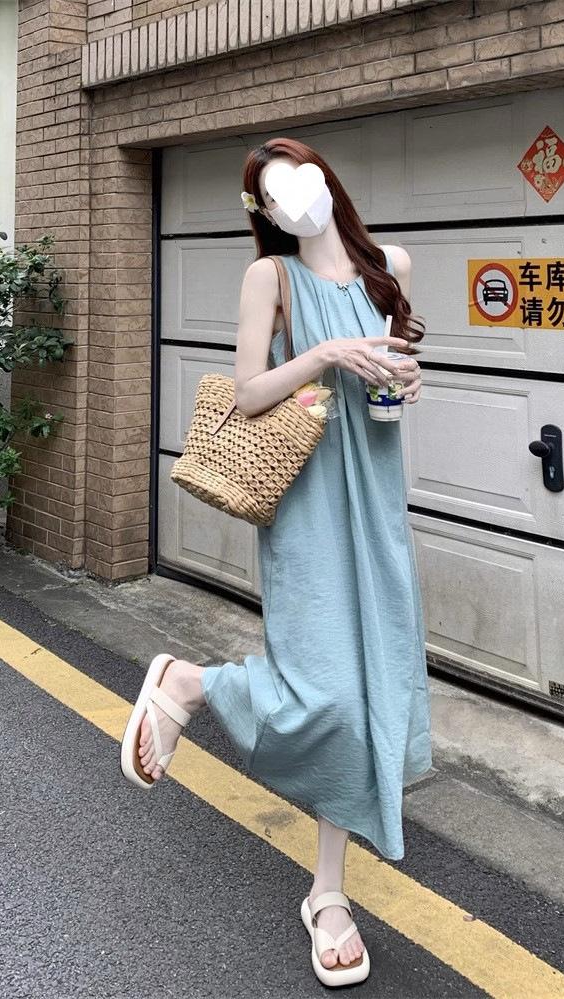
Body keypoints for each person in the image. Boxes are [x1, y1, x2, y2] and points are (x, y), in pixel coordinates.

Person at [121, 137, 432, 988]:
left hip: (375, 500)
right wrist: (326, 354)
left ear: (326, 175)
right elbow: (250, 391)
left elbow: (401, 370)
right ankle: (191, 684)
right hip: (307, 506)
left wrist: (409, 383)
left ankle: (328, 894)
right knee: (325, 689)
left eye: (293, 176)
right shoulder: (272, 278)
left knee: (368, 694)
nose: (288, 198)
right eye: (268, 192)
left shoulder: (392, 267)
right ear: (262, 211)